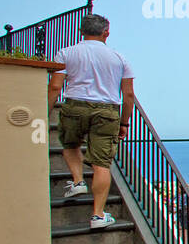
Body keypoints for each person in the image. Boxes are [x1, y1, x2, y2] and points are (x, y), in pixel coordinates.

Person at [47, 13, 135, 230]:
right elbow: (129, 95)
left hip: (75, 105)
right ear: (106, 32)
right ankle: (97, 214)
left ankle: (78, 181)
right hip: (107, 111)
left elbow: (56, 87)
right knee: (101, 163)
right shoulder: (119, 58)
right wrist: (124, 123)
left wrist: (44, 112)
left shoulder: (66, 53)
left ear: (80, 31)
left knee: (70, 145)